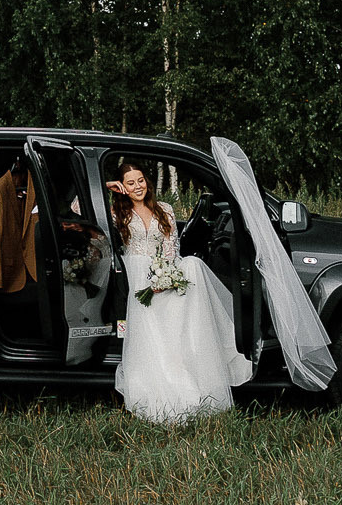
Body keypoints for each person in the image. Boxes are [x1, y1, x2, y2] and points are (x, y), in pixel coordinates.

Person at [106, 160, 252, 424]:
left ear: (147, 182)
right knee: (149, 328)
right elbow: (78, 208)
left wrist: (167, 276)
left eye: (140, 180)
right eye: (130, 183)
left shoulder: (165, 209)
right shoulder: (118, 211)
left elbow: (172, 248)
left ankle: (193, 370)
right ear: (123, 187)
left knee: (192, 266)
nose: (137, 186)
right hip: (135, 276)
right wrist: (110, 187)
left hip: (162, 272)